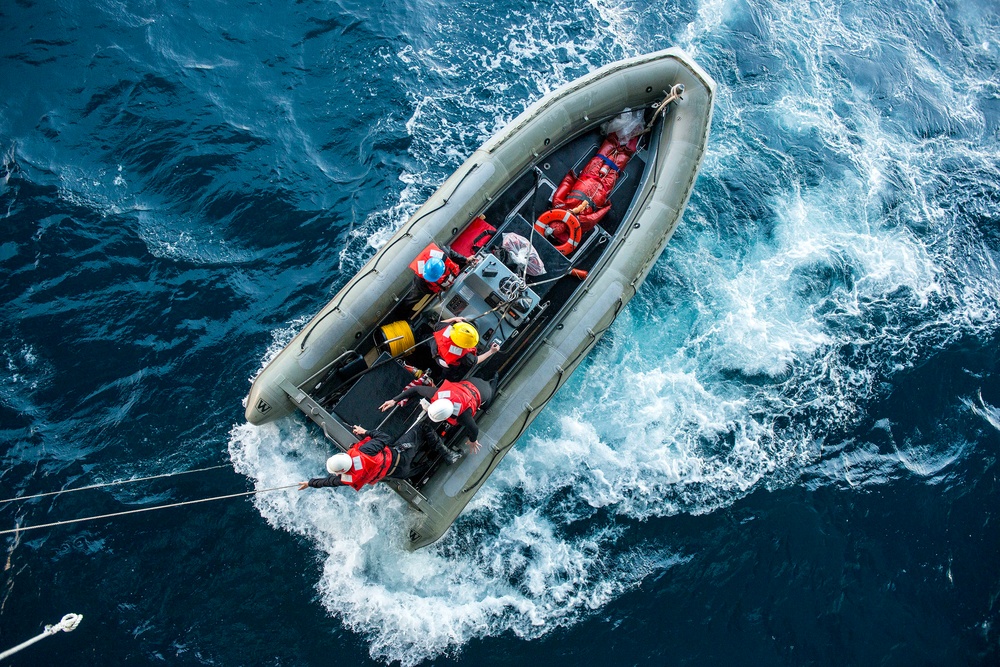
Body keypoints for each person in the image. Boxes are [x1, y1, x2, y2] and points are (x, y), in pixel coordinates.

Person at [541, 131, 641, 243]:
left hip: (600, 188)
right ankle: (620, 134)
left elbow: (595, 216)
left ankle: (633, 138)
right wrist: (571, 177)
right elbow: (565, 185)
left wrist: (606, 207)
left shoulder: (580, 225)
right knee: (602, 157)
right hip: (590, 180)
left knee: (616, 166)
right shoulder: (560, 207)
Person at [298, 422, 444, 491]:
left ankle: (435, 463)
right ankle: (444, 451)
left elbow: (330, 482)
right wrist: (365, 431)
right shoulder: (365, 451)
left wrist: (310, 483)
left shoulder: (349, 478)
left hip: (399, 473)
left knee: (427, 466)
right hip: (401, 456)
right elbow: (384, 438)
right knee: (422, 428)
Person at [378, 377, 493, 456]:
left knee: (486, 404)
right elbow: (415, 389)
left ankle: (494, 381)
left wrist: (473, 440)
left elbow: (474, 429)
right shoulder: (436, 394)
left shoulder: (463, 416)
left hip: (483, 392)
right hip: (471, 383)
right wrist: (394, 400)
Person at [400, 243, 468, 312]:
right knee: (412, 299)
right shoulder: (420, 278)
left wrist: (465, 259)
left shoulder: (443, 254)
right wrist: (439, 290)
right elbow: (423, 291)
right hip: (432, 285)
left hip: (452, 279)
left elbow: (452, 253)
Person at [430, 317, 501, 382]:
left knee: (427, 338)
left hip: (434, 348)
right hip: (443, 362)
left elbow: (438, 324)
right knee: (447, 373)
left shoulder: (447, 329)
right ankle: (441, 380)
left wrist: (455, 318)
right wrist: (491, 351)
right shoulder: (462, 354)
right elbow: (475, 361)